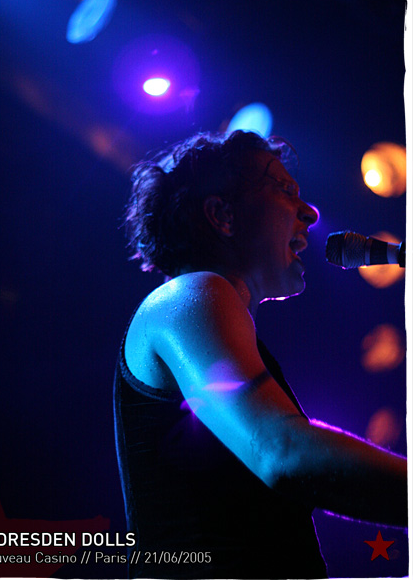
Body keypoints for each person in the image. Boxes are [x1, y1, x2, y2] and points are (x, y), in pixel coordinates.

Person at [113, 131, 407, 579]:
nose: (310, 212)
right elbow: (282, 451)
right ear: (222, 215)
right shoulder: (189, 294)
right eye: (284, 190)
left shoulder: (220, 319)